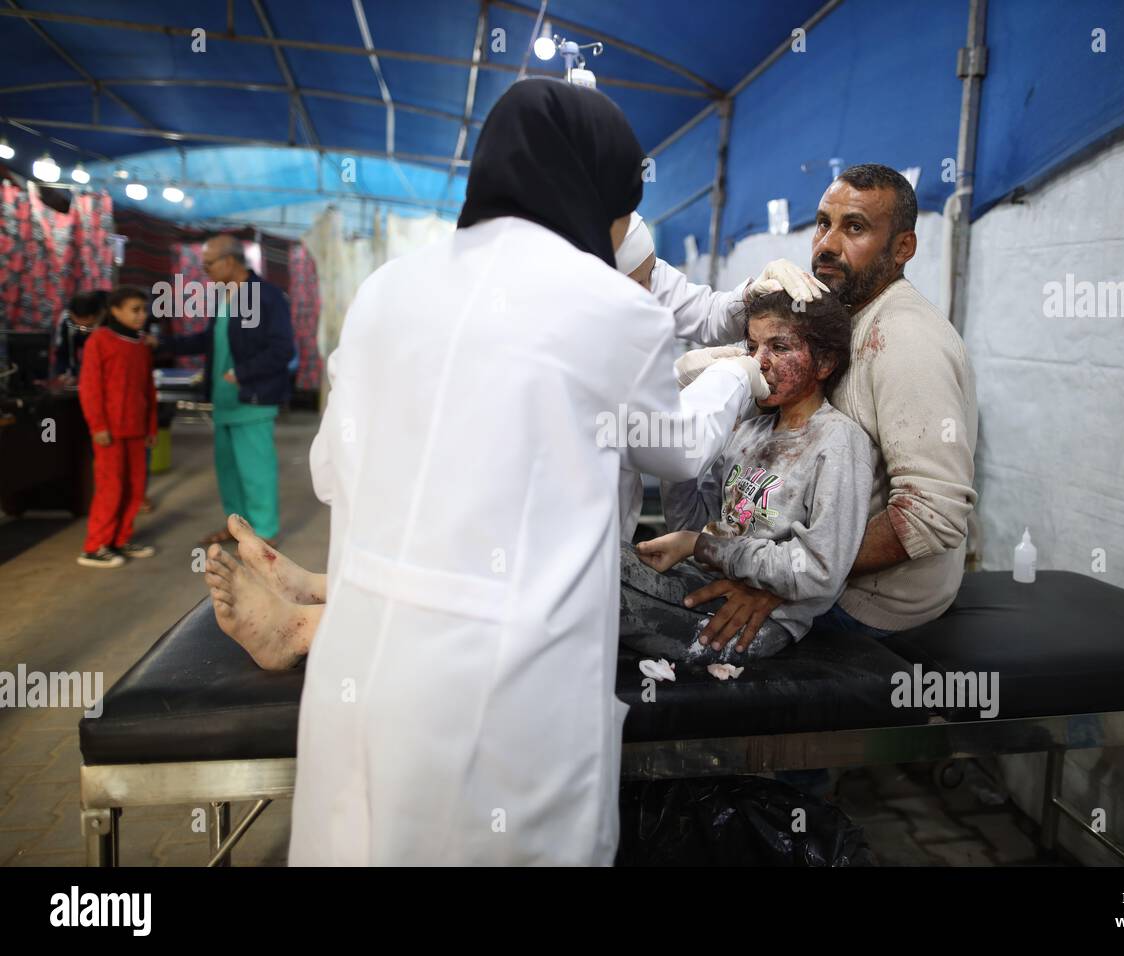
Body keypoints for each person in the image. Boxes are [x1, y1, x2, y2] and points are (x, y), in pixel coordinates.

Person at [269, 78, 767, 866]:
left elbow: (330, 469)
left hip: (364, 671)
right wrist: (736, 374)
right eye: (622, 210)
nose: (619, 231)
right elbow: (677, 448)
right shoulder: (608, 306)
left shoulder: (384, 291)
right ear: (595, 190)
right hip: (504, 696)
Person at [652, 164, 979, 650]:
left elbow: (933, 514)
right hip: (789, 564)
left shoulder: (908, 341)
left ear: (903, 248)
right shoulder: (838, 313)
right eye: (823, 223)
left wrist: (779, 584)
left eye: (855, 228)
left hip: (869, 601)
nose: (826, 244)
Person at [623, 290, 874, 662]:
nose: (760, 362)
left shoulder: (838, 441)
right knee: (597, 557)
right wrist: (685, 448)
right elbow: (693, 523)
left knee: (596, 588)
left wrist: (702, 546)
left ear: (823, 364)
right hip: (708, 583)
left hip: (761, 620)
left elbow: (820, 570)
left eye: (779, 347)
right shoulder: (749, 432)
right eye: (753, 346)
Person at [167, 234, 295, 546]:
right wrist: (163, 346)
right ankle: (238, 528)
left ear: (230, 261)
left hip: (252, 399)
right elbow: (210, 340)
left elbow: (282, 349)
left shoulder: (267, 296)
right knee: (229, 473)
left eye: (209, 263)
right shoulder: (225, 296)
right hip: (224, 402)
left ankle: (264, 533)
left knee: (255, 470)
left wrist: (243, 373)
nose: (205, 269)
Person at [76, 287, 157, 568]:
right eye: (135, 309)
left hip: (136, 429)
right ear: (115, 310)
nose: (142, 316)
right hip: (109, 432)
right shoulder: (99, 340)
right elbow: (90, 387)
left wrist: (151, 428)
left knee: (135, 488)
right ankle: (95, 545)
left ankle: (120, 539)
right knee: (110, 488)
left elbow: (148, 389)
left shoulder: (140, 345)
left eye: (144, 310)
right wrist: (97, 425)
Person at [54, 290, 107, 382]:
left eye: (91, 321)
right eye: (80, 322)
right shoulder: (67, 320)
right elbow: (63, 350)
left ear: (99, 314)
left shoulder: (110, 319)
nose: (84, 328)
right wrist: (63, 372)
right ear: (71, 314)